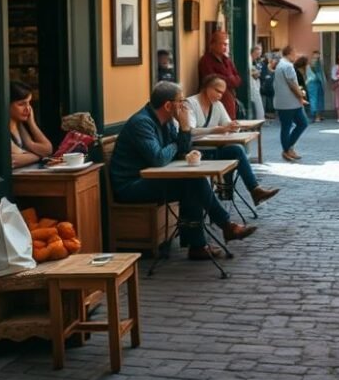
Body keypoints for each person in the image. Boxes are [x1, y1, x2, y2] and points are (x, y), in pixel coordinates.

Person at [109, 81, 257, 261]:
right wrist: (184, 131)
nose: (184, 106)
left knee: (192, 180)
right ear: (168, 105)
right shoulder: (142, 123)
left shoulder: (169, 121)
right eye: (181, 101)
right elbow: (158, 158)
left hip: (149, 179)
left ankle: (202, 243)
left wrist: (183, 133)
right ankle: (219, 231)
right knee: (192, 182)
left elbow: (180, 151)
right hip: (131, 185)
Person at [185, 75, 279, 203]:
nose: (220, 95)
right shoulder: (190, 103)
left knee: (236, 149)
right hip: (195, 154)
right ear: (206, 87)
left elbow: (228, 124)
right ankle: (227, 191)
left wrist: (233, 127)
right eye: (217, 91)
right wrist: (217, 129)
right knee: (235, 151)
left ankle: (254, 190)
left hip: (213, 149)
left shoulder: (217, 105)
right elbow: (190, 131)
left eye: (222, 93)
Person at [273, 46, 309, 161]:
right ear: (289, 53)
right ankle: (287, 149)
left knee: (290, 126)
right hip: (290, 103)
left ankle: (289, 149)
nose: (296, 55)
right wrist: (301, 95)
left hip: (284, 102)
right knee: (300, 123)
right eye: (295, 53)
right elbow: (292, 84)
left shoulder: (280, 65)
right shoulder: (288, 66)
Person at [198, 30, 243, 119]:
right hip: (214, 101)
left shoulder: (227, 60)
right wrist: (230, 79)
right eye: (222, 44)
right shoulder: (206, 61)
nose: (225, 47)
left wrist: (228, 79)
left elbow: (238, 79)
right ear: (213, 44)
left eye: (226, 44)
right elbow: (212, 80)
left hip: (230, 98)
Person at [8, 81, 53, 168]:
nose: (28, 109)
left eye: (29, 103)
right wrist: (39, 156)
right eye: (21, 104)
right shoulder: (2, 128)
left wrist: (32, 123)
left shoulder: (20, 125)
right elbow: (13, 160)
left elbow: (47, 150)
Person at [306, 51, 326, 123]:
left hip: (316, 83)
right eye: (316, 56)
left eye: (318, 56)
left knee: (317, 99)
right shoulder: (315, 64)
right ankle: (316, 116)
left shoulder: (318, 63)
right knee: (315, 100)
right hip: (314, 83)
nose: (317, 57)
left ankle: (317, 116)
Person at [249, 45, 265, 120]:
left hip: (256, 85)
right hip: (252, 87)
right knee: (257, 108)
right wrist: (255, 73)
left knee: (258, 107)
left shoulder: (256, 62)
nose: (258, 56)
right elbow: (253, 74)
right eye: (257, 53)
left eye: (259, 54)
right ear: (252, 52)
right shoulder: (249, 61)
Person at [260, 52, 277, 119]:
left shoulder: (275, 67)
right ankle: (267, 114)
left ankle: (271, 113)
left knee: (270, 101)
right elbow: (263, 76)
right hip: (265, 88)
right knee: (265, 102)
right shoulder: (263, 65)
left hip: (272, 88)